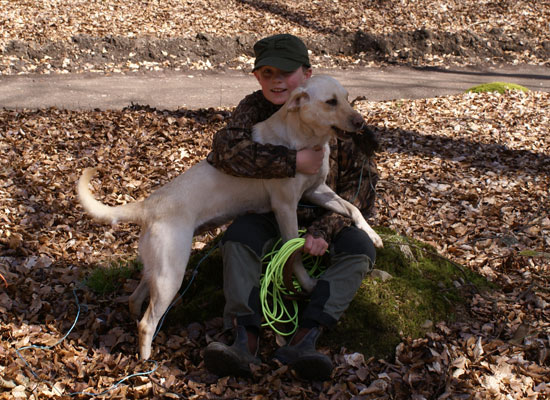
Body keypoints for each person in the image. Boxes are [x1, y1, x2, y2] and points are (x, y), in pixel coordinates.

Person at [203, 34, 380, 381]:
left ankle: (306, 339)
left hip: (323, 219)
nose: (277, 81)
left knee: (360, 249)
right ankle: (244, 340)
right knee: (238, 240)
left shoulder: (344, 118)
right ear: (257, 77)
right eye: (267, 73)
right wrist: (292, 160)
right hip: (268, 212)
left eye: (286, 72)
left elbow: (359, 194)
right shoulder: (254, 108)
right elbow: (226, 153)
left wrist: (319, 231)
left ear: (308, 74)